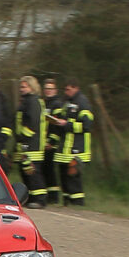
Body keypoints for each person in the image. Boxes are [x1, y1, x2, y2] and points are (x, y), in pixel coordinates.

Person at [50, 78, 94, 206]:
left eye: (68, 89)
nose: (66, 92)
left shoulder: (83, 102)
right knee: (64, 174)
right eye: (65, 89)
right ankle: (67, 202)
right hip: (65, 147)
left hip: (77, 147)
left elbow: (86, 125)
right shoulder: (67, 102)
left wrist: (67, 124)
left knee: (74, 175)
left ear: (76, 88)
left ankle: (78, 203)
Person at [14, 75, 48, 208]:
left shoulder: (33, 101)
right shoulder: (27, 101)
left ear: (32, 87)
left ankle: (40, 199)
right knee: (25, 171)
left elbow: (32, 123)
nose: (21, 89)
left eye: (24, 86)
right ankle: (31, 197)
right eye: (21, 87)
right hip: (25, 143)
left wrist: (23, 137)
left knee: (33, 172)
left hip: (31, 144)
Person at [42, 78, 64, 204]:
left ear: (55, 90)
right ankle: (47, 195)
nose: (48, 91)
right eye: (46, 89)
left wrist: (52, 141)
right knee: (45, 168)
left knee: (50, 169)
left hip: (51, 142)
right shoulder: (43, 103)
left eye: (50, 89)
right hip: (42, 141)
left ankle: (54, 197)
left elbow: (57, 125)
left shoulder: (57, 104)